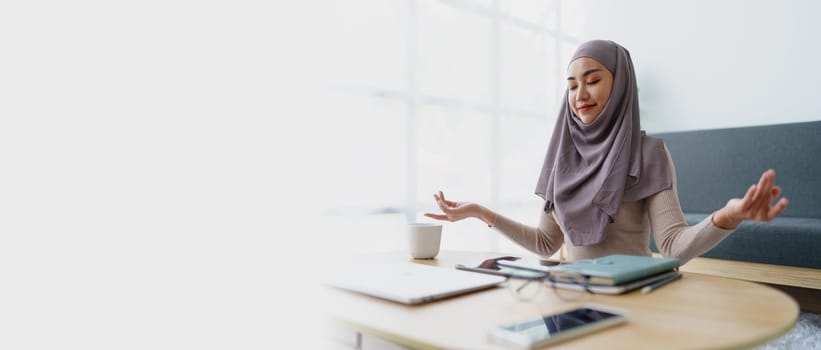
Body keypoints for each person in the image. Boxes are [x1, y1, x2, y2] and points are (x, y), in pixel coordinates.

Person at [424, 40, 788, 264]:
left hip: (633, 296)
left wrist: (727, 215)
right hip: (575, 294)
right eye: (571, 86)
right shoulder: (562, 158)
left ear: (620, 85)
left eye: (593, 80)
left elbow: (674, 247)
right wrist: (479, 212)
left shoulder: (649, 153)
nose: (579, 94)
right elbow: (546, 243)